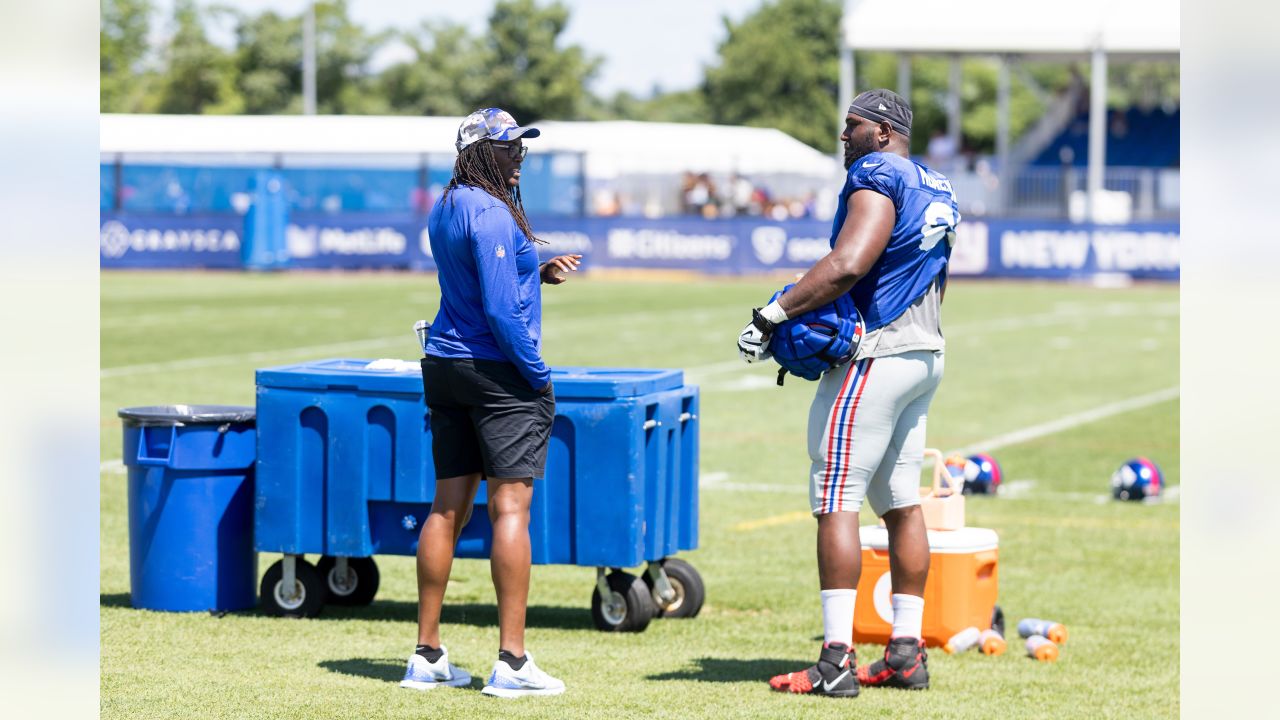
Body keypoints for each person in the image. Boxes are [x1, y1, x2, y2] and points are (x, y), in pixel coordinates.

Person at [736, 89, 960, 698]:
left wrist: (772, 315)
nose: (844, 138)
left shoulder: (877, 171)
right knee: (900, 499)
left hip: (877, 355)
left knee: (835, 494)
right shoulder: (935, 182)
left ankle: (836, 658)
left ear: (883, 132)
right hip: (924, 349)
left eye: (853, 127)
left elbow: (849, 262)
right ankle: (906, 653)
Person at [401, 107, 582, 699]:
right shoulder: (487, 208)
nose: (518, 155)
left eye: (521, 145)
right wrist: (537, 372)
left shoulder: (449, 203)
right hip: (496, 370)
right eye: (507, 147)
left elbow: (489, 277)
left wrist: (539, 267)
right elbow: (502, 311)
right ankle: (512, 661)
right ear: (478, 153)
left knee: (445, 508)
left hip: (447, 365)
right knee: (510, 512)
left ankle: (426, 654)